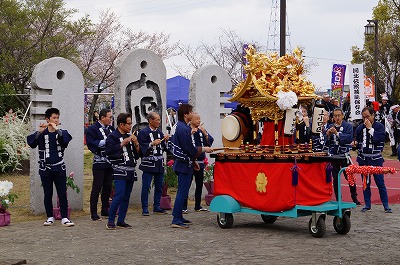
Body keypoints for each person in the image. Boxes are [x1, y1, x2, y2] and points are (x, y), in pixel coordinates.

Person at [27, 108, 75, 227]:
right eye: (53, 118)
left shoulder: (62, 132)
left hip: (59, 168)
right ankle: (49, 217)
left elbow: (65, 141)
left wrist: (57, 129)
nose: (56, 120)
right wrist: (39, 131)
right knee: (48, 194)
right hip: (45, 169)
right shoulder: (41, 133)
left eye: (57, 118)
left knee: (62, 193)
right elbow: (32, 144)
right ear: (47, 119)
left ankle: (64, 217)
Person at [168, 104, 213, 228]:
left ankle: (179, 216)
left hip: (185, 163)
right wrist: (204, 149)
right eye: (191, 112)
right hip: (183, 164)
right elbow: (189, 149)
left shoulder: (183, 127)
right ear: (185, 114)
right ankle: (176, 219)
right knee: (182, 192)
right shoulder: (183, 129)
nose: (193, 114)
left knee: (182, 191)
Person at [353, 107, 392, 213]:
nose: (365, 119)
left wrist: (370, 129)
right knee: (366, 182)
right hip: (363, 159)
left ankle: (386, 205)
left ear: (373, 115)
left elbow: (380, 139)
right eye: (363, 117)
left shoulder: (379, 126)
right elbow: (357, 140)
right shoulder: (360, 127)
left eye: (368, 116)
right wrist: (354, 144)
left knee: (380, 182)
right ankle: (367, 204)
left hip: (375, 159)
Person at [105, 113, 140, 229]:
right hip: (119, 169)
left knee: (126, 196)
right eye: (128, 123)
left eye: (131, 123)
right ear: (121, 124)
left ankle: (121, 219)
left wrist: (136, 143)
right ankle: (110, 220)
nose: (130, 126)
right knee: (119, 195)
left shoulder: (130, 135)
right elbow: (109, 151)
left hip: (130, 169)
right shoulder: (113, 136)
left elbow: (138, 154)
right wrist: (122, 143)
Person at [325, 108, 360, 205]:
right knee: (335, 179)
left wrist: (337, 133)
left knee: (350, 177)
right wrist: (327, 135)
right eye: (335, 116)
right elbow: (326, 143)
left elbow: (348, 139)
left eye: (338, 115)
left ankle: (354, 197)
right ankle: (338, 198)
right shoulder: (330, 126)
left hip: (344, 156)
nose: (337, 118)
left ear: (342, 116)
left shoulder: (348, 126)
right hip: (334, 156)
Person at [137, 111, 169, 216]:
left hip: (159, 163)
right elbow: (141, 147)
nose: (159, 122)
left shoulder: (159, 132)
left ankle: (157, 206)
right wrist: (151, 144)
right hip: (148, 163)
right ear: (151, 121)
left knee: (159, 186)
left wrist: (166, 141)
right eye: (158, 119)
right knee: (146, 186)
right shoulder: (143, 132)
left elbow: (163, 147)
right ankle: (145, 208)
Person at [86, 108, 114, 221]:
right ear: (102, 118)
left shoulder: (111, 129)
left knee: (107, 186)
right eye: (109, 117)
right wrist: (105, 142)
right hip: (99, 162)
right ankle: (93, 212)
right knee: (97, 187)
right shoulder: (93, 129)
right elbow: (91, 143)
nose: (111, 119)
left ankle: (105, 209)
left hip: (110, 162)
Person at [182, 113, 214, 213]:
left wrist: (205, 133)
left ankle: (198, 205)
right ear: (191, 120)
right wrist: (191, 133)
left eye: (199, 119)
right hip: (190, 161)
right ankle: (183, 206)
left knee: (199, 184)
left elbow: (209, 143)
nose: (199, 121)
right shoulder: (187, 130)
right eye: (196, 119)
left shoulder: (201, 130)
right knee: (186, 184)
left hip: (200, 161)